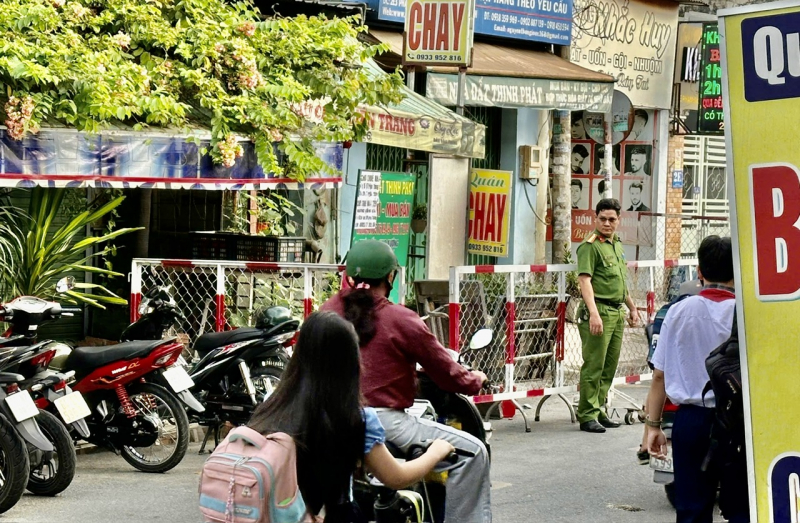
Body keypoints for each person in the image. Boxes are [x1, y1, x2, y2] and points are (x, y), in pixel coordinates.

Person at [322, 240, 491, 523]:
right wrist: (475, 380)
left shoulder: (326, 311)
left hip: (327, 418)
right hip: (384, 422)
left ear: (350, 276)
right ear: (390, 277)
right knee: (473, 453)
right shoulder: (401, 318)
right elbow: (447, 374)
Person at [248, 311, 455, 522]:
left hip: (272, 513)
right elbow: (396, 477)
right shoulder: (354, 417)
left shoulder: (272, 403)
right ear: (350, 361)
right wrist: (437, 451)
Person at [646, 236, 748, 523]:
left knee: (691, 509)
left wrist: (652, 426)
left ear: (699, 272)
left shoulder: (677, 311)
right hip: (739, 422)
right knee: (742, 508)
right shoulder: (746, 314)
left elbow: (658, 376)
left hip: (690, 422)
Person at [576, 198, 639, 433]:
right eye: (602, 219)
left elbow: (620, 283)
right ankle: (587, 414)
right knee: (594, 365)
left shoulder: (616, 245)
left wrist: (632, 307)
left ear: (618, 221)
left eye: (612, 219)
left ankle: (599, 408)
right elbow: (585, 280)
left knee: (609, 366)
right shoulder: (590, 246)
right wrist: (593, 313)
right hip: (599, 310)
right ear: (596, 219)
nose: (607, 223)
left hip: (616, 311)